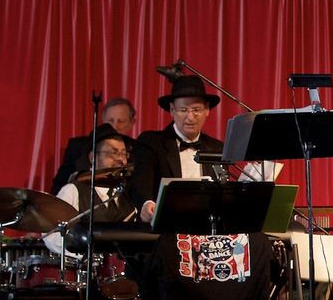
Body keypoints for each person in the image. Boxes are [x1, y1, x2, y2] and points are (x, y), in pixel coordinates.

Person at [126, 77, 224, 221]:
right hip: (164, 224)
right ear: (172, 110)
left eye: (196, 110)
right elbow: (140, 183)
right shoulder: (152, 142)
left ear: (207, 110)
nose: (190, 117)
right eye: (183, 110)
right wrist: (146, 203)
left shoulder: (217, 148)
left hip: (205, 226)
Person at [43, 132, 136, 259]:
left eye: (124, 154)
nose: (121, 159)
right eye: (114, 153)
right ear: (93, 157)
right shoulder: (73, 190)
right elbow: (52, 234)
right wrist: (83, 258)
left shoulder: (128, 194)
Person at [51, 97, 136, 193]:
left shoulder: (138, 150)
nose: (115, 126)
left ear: (132, 123)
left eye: (121, 121)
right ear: (103, 119)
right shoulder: (78, 147)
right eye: (110, 120)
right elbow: (60, 184)